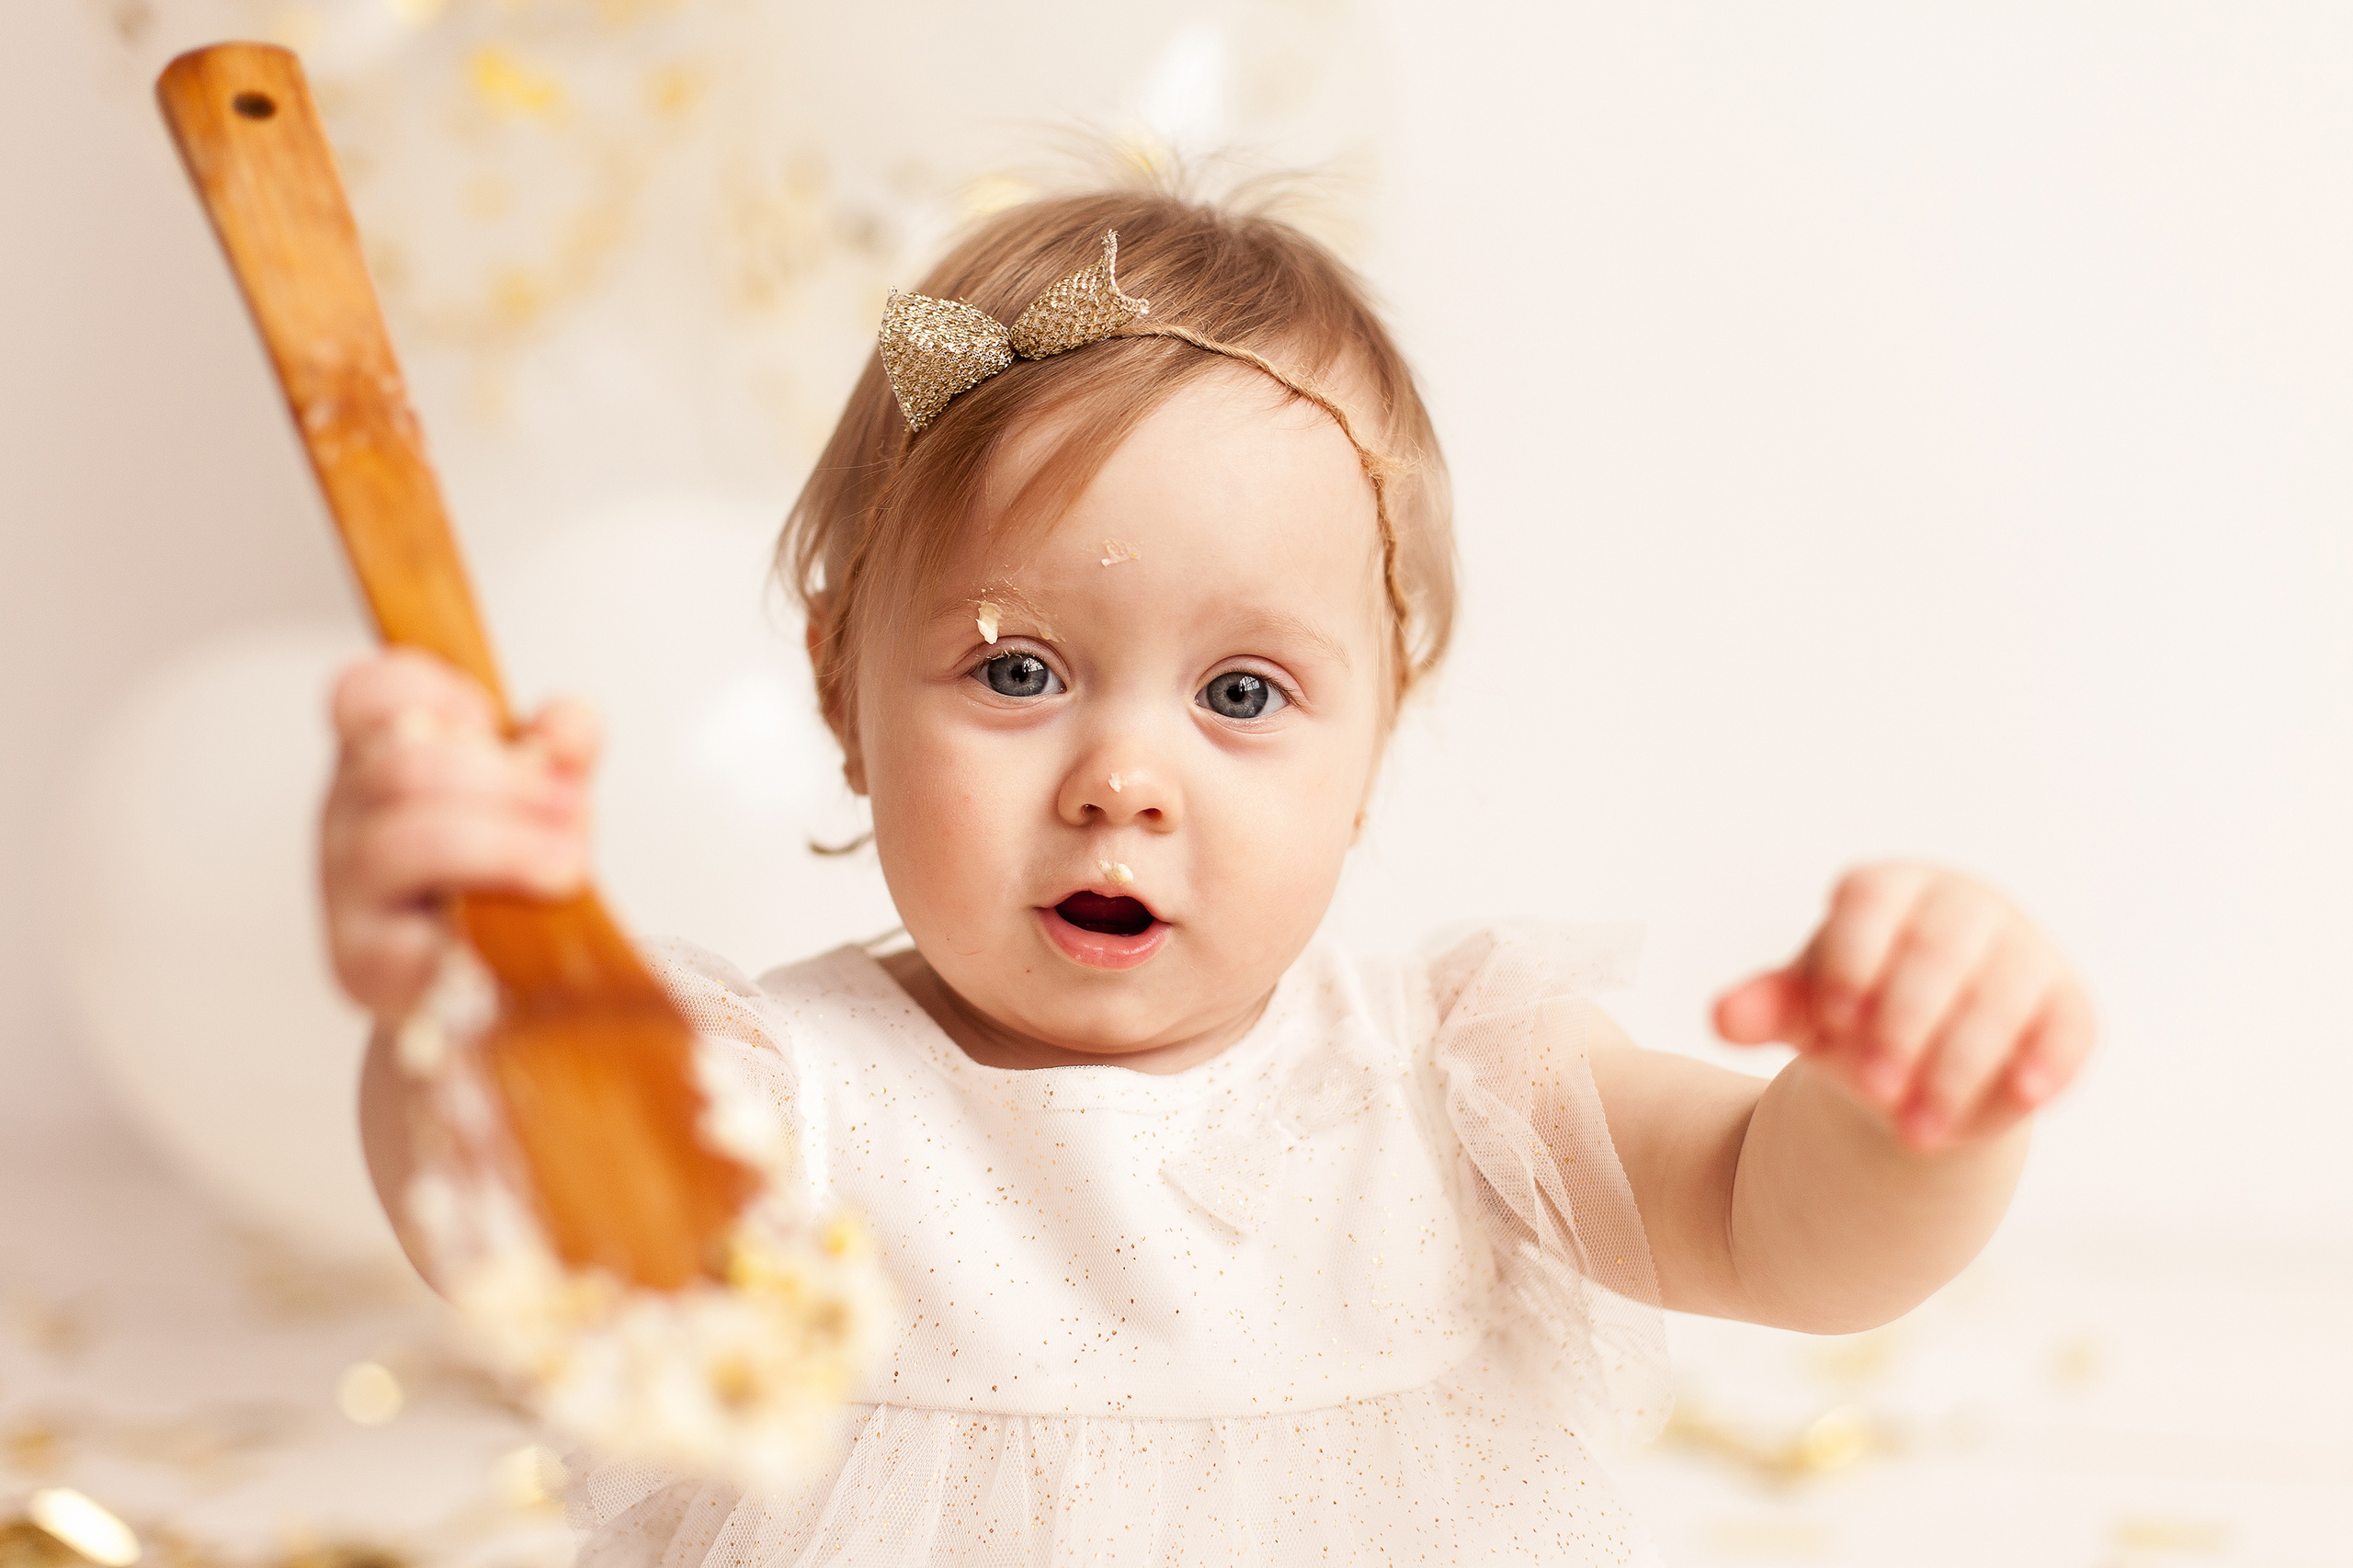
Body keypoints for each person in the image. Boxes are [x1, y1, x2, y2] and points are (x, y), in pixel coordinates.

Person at [322, 184, 2096, 1564]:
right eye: (1017, 670)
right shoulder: (791, 1103)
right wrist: (464, 995)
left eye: (1243, 693)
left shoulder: (1449, 1080)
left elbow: (1770, 1225)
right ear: (839, 688)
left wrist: (1911, 1109)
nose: (1123, 779)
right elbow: (538, 1209)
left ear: (1378, 740)